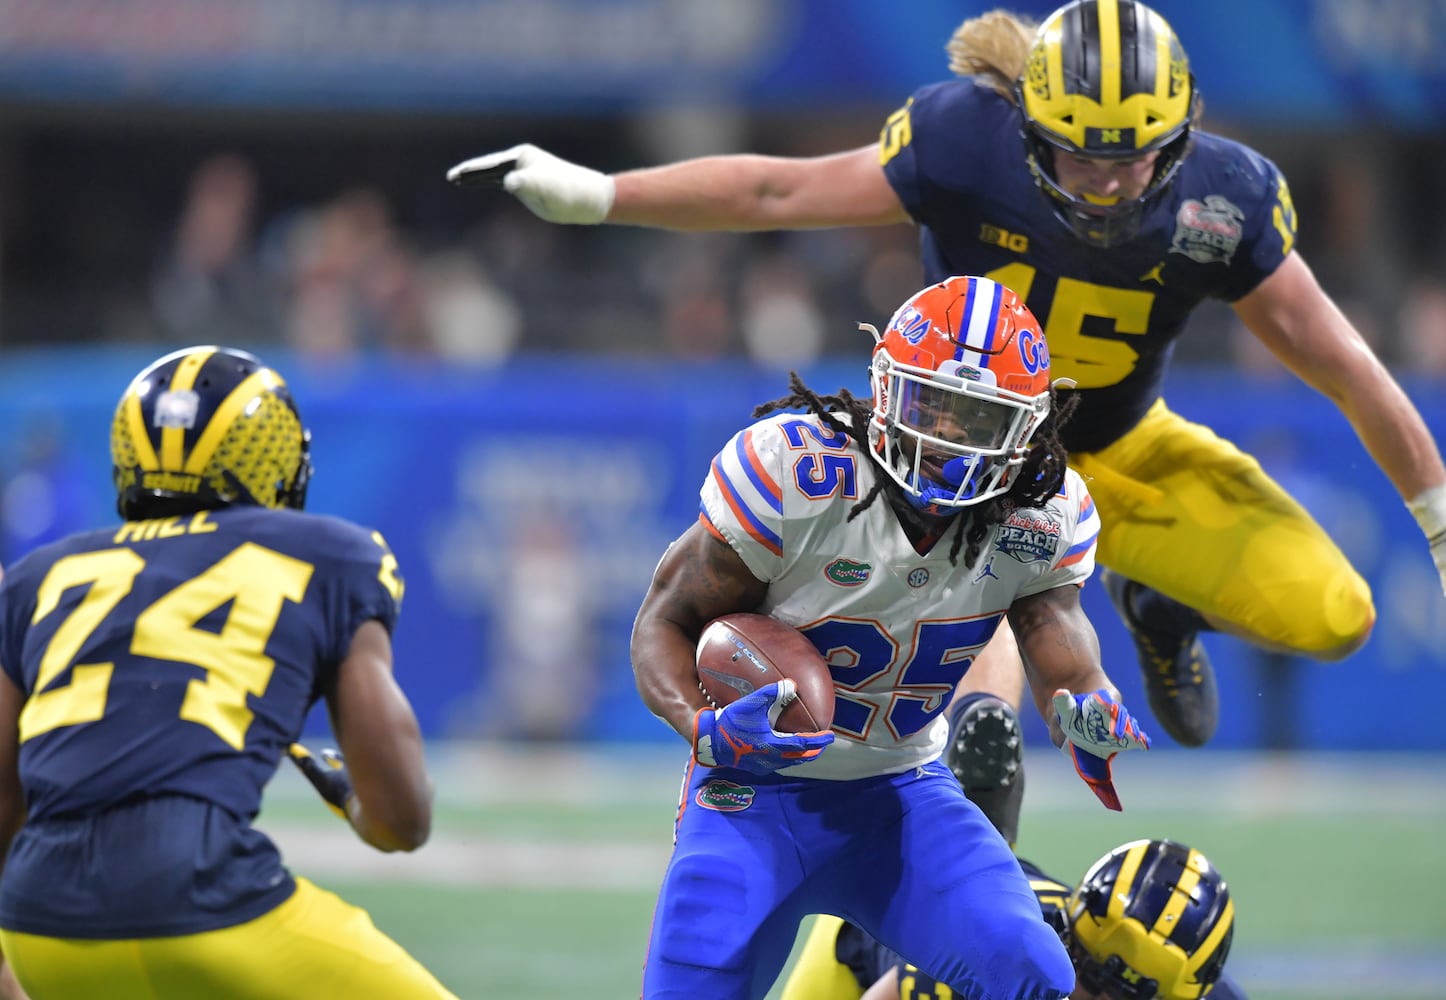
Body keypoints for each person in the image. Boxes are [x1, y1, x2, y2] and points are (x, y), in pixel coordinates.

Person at [449, 0, 1446, 748]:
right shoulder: (967, 138)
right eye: (1080, 155)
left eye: (1134, 158)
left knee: (1338, 616)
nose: (1107, 181)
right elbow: (777, 186)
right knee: (974, 746)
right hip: (950, 475)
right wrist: (602, 194)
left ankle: (1159, 603)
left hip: (1121, 450)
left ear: (1178, 138)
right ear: (1028, 127)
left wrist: (1440, 521)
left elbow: (1351, 371)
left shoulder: (1226, 199)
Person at [629, 275, 1152, 1000]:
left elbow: (1051, 623)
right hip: (753, 793)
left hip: (900, 791)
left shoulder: (1042, 512)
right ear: (883, 386)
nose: (945, 438)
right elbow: (663, 620)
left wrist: (1086, 695)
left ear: (1026, 429)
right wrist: (703, 729)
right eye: (931, 403)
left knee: (1032, 969)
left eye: (977, 419)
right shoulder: (796, 474)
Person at [0, 346, 457, 999]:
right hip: (203, 893)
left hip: (38, 923)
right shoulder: (332, 553)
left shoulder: (41, 577)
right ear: (273, 458)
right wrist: (354, 799)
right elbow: (402, 820)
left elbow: (2, 801)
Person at [779, 693, 1247, 1000]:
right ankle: (974, 831)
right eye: (1086, 972)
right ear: (1071, 938)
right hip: (865, 947)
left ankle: (982, 829)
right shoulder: (997, 962)